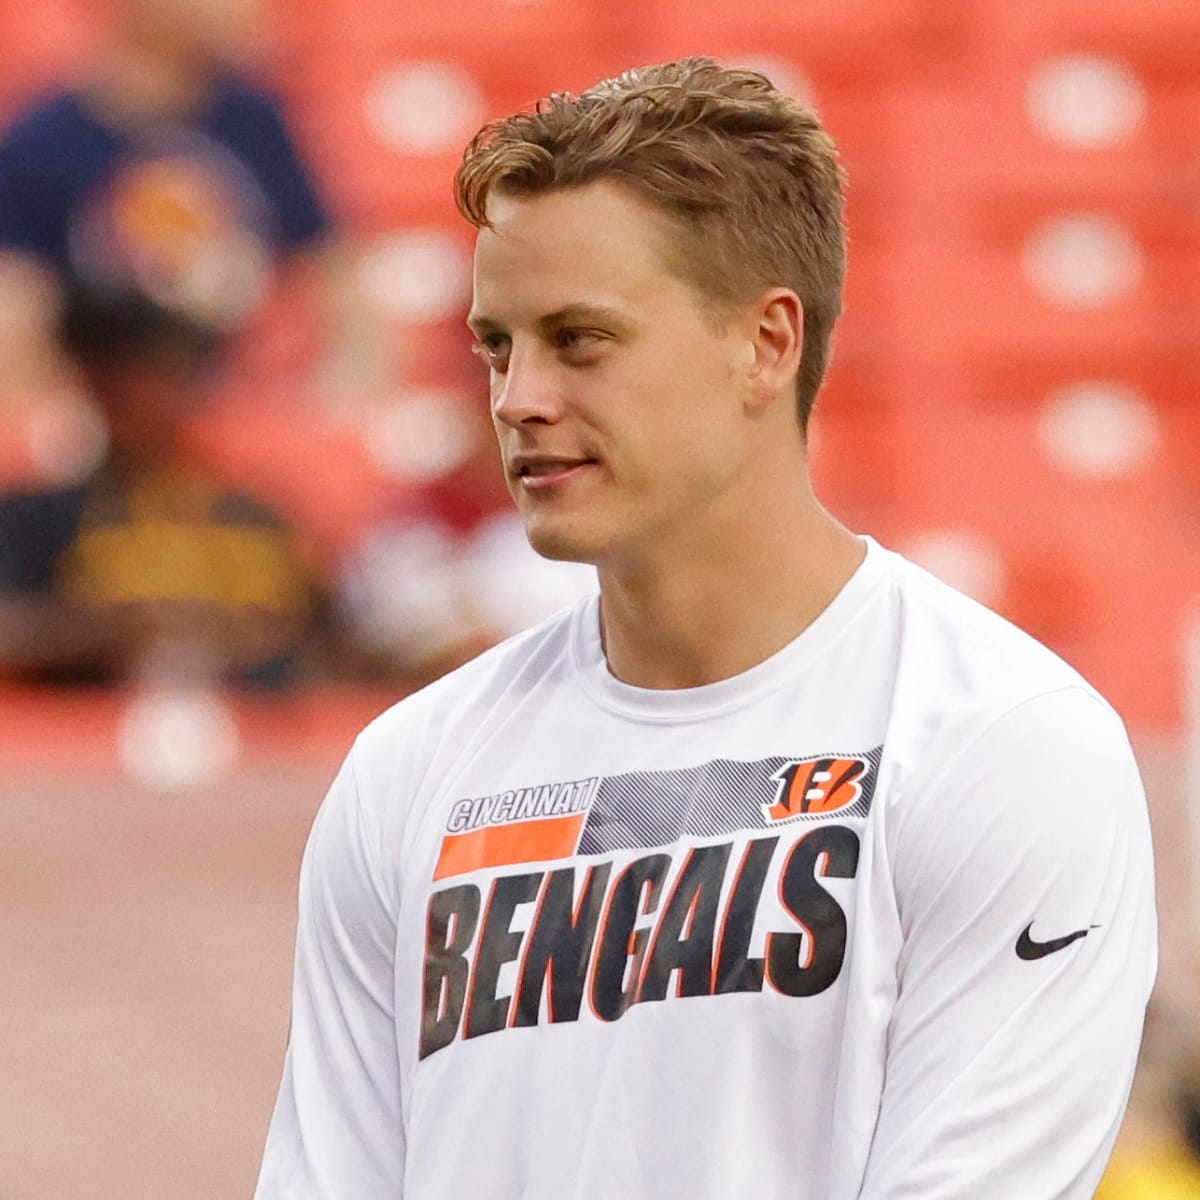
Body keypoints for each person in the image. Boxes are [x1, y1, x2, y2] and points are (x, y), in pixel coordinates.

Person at [255, 58, 1157, 1198]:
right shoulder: (408, 773)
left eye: (581, 341)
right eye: (498, 346)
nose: (518, 398)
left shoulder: (1002, 742)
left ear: (766, 344)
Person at [0, 0, 368, 684]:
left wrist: (335, 399)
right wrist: (65, 410)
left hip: (238, 397)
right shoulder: (41, 138)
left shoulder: (259, 122)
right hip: (106, 403)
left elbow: (340, 284)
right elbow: (17, 320)